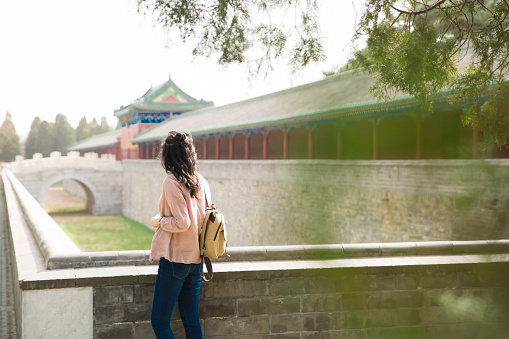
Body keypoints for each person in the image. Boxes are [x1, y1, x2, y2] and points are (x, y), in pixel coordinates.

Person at [149, 131, 209, 339]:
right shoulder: (200, 181)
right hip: (196, 259)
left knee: (159, 321)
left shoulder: (172, 182)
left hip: (176, 259)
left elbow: (183, 222)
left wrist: (159, 221)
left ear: (168, 156)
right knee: (191, 322)